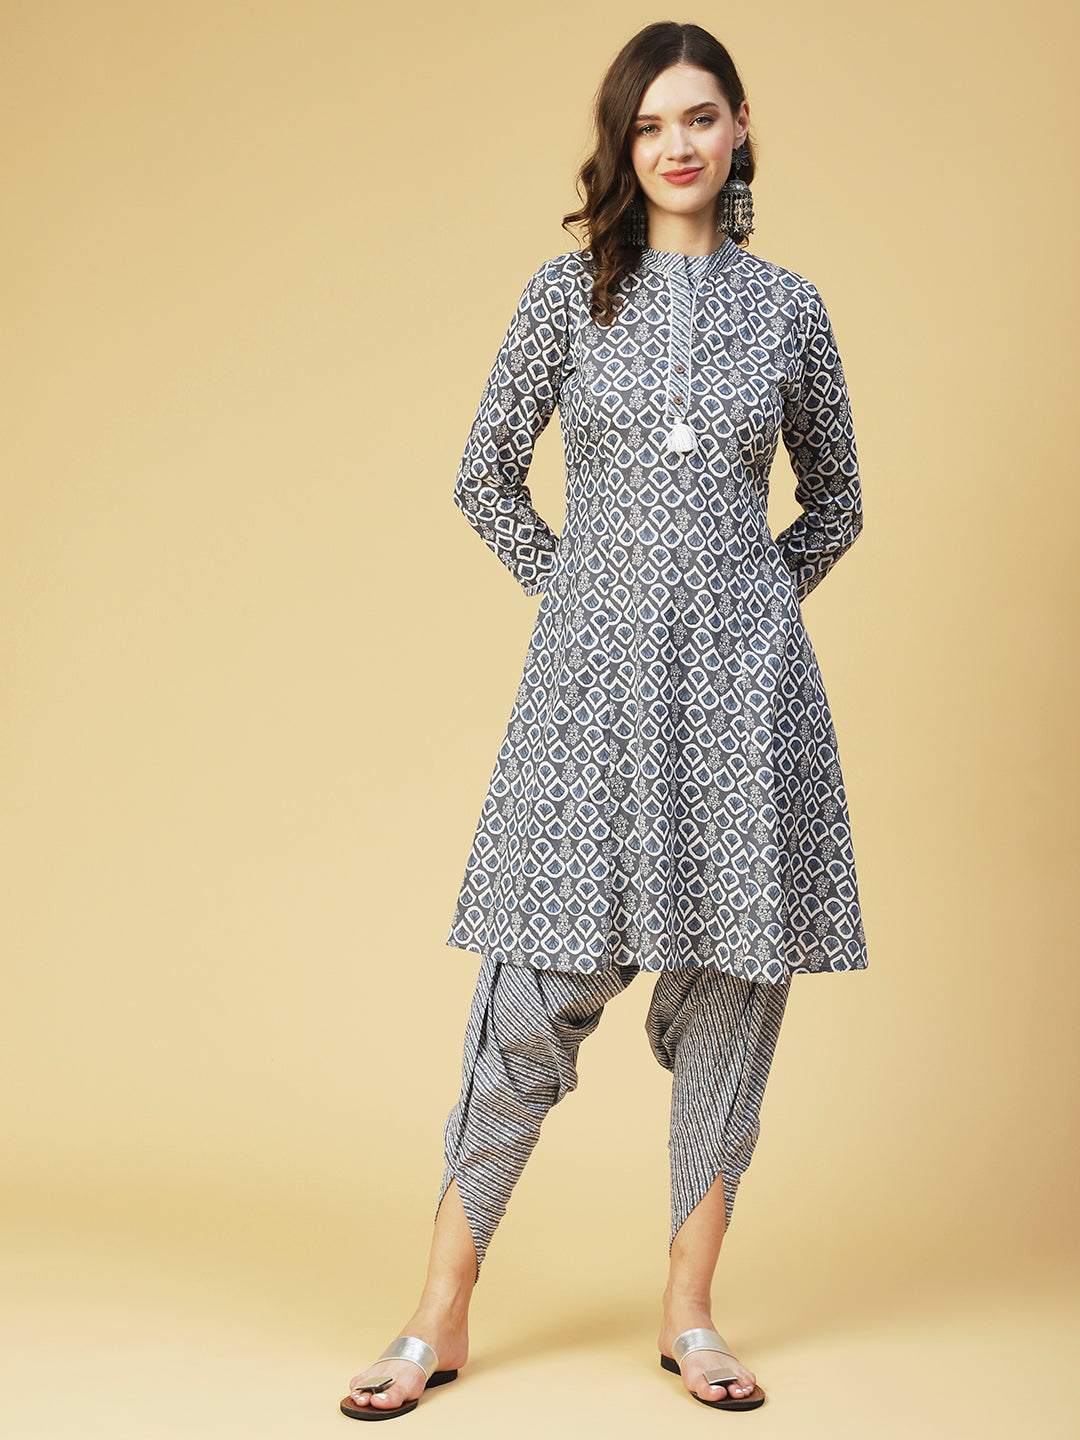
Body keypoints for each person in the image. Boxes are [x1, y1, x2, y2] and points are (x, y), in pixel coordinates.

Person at [341, 19, 867, 1421]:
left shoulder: (790, 309)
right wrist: (579, 600)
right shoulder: (564, 297)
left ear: (740, 129)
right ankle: (439, 1310)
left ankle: (691, 1314)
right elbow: (484, 477)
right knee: (529, 1002)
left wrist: (752, 612)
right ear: (622, 147)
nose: (675, 145)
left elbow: (838, 504)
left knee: (735, 1002)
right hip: (591, 707)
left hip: (746, 717)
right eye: (648, 125)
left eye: (699, 118)